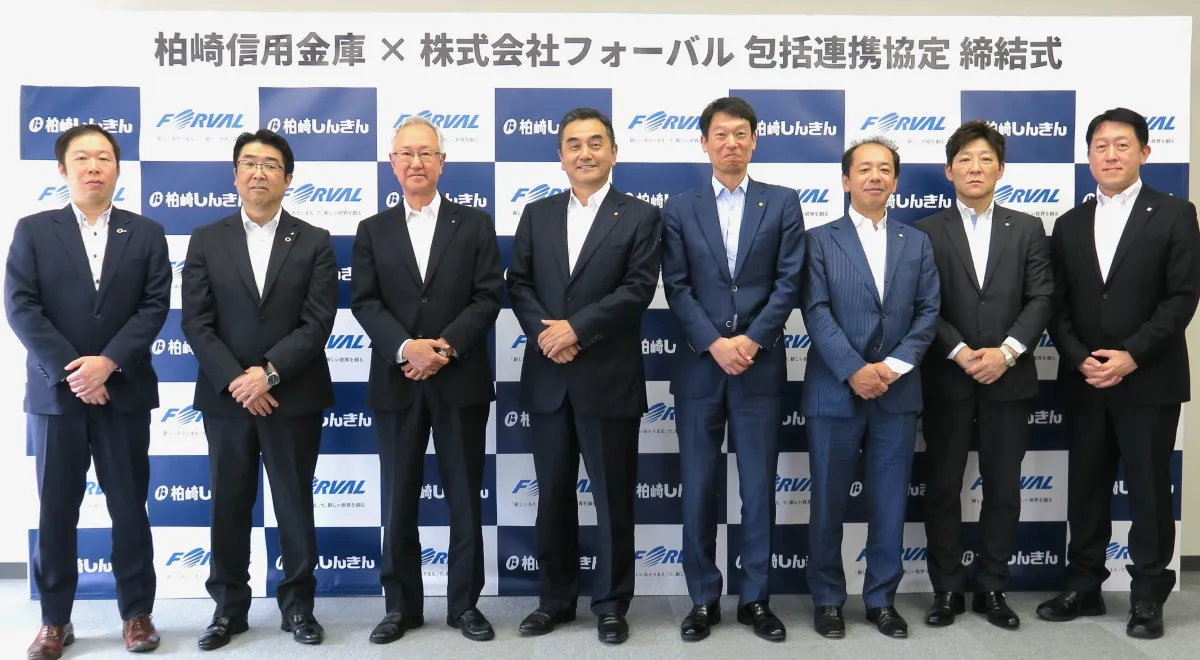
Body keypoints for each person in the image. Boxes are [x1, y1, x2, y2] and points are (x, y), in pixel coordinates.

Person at [6, 124, 170, 660]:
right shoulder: (34, 230)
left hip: (124, 393)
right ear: (63, 169)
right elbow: (21, 306)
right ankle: (54, 620)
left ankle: (137, 614)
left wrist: (108, 364)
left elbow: (153, 306)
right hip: (57, 398)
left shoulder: (146, 232)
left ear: (118, 168)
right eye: (82, 158)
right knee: (56, 512)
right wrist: (75, 371)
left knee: (129, 508)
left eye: (103, 157)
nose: (93, 166)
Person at [1039, 108, 1200, 640]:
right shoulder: (1069, 223)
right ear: (1088, 156)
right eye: (1100, 146)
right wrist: (1077, 355)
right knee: (1086, 487)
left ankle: (1148, 595)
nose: (1110, 155)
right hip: (1084, 379)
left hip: (1149, 378)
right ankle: (1084, 585)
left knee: (1150, 489)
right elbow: (1056, 304)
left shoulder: (1175, 213)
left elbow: (1182, 297)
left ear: (1144, 153)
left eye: (1122, 145)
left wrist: (1131, 354)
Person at [505, 108, 661, 645]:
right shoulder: (537, 214)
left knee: (613, 498)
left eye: (596, 143)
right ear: (561, 156)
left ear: (614, 152)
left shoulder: (641, 216)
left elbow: (637, 289)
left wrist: (577, 330)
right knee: (552, 495)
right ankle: (555, 600)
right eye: (574, 144)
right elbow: (519, 284)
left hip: (609, 378)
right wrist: (548, 335)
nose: (585, 152)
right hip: (549, 376)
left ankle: (612, 604)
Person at [181, 129, 338, 650]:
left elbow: (318, 322)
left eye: (270, 165)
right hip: (227, 399)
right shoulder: (207, 238)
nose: (258, 173)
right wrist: (238, 380)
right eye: (249, 163)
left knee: (294, 503)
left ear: (287, 179)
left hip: (293, 395)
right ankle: (228, 610)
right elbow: (196, 321)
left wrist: (267, 374)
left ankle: (299, 607)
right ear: (235, 175)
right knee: (228, 504)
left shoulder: (314, 240)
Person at [351, 116, 503, 643]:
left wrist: (443, 348)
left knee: (465, 497)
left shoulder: (475, 224)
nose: (416, 162)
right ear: (392, 163)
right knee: (399, 499)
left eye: (426, 153)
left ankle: (465, 605)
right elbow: (365, 301)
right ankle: (401, 607)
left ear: (442, 161)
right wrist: (405, 348)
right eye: (406, 153)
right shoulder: (373, 230)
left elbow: (488, 296)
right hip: (397, 381)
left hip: (459, 379)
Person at [660, 96, 804, 643]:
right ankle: (702, 599)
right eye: (720, 134)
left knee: (759, 489)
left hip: (759, 366)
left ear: (754, 140)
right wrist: (714, 343)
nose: (731, 143)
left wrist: (750, 339)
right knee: (698, 487)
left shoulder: (783, 202)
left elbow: (789, 282)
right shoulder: (680, 207)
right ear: (704, 143)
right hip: (700, 368)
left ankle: (756, 599)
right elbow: (676, 286)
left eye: (741, 133)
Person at [914, 120, 1053, 630]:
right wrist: (958, 351)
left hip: (1008, 380)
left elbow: (1042, 297)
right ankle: (946, 589)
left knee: (1003, 489)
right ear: (949, 170)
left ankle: (993, 587)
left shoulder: (1029, 228)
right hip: (946, 379)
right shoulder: (925, 232)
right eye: (965, 160)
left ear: (1001, 169)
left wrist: (1006, 353)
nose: (975, 168)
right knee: (942, 488)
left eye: (985, 159)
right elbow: (922, 303)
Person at [802, 137, 939, 639]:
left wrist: (892, 368)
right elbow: (815, 310)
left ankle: (882, 599)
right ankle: (827, 600)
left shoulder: (916, 241)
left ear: (895, 182)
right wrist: (855, 370)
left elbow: (928, 312)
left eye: (884, 169)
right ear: (846, 180)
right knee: (827, 503)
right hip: (834, 389)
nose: (875, 176)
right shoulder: (819, 240)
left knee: (890, 502)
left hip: (897, 392)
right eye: (864, 169)